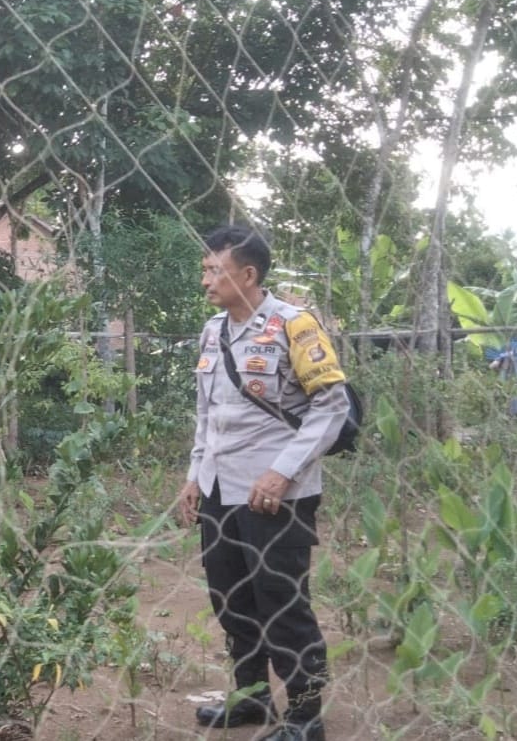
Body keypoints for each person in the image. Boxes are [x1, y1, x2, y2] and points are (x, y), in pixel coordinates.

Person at [177, 225, 350, 741]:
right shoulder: (213, 331)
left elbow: (332, 405)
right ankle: (251, 699)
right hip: (219, 491)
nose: (205, 279)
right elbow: (208, 414)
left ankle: (304, 714)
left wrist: (281, 471)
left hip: (277, 496)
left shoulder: (294, 326)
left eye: (214, 270)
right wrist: (193, 476)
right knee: (231, 599)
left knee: (281, 602)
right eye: (205, 269)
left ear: (247, 274)